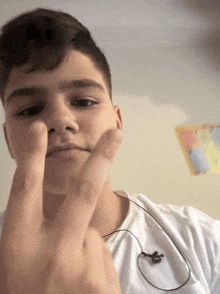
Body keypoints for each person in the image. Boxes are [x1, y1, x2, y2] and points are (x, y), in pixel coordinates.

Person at [0, 8, 219, 294]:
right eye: (30, 110)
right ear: (9, 141)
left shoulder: (201, 237)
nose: (60, 120)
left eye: (84, 102)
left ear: (118, 121)